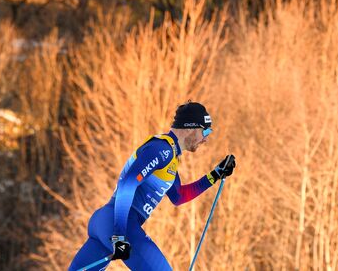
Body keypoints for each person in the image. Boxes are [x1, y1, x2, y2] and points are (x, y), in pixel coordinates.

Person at [69, 101, 236, 270]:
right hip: (119, 224)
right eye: (205, 131)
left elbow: (179, 197)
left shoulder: (170, 158)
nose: (206, 138)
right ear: (188, 128)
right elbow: (127, 184)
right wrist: (119, 236)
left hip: (105, 222)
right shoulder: (161, 150)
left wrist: (215, 175)